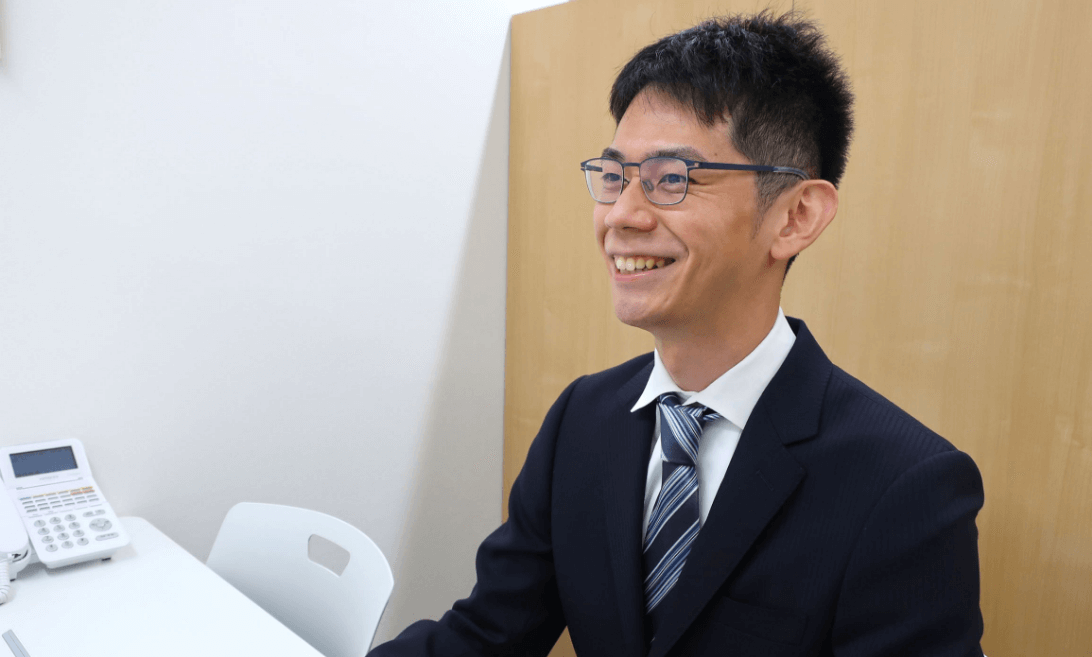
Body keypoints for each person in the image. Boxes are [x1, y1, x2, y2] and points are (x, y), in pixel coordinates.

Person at [370, 11, 984, 657]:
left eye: (672, 179)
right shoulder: (582, 418)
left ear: (796, 216)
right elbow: (486, 636)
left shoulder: (905, 484)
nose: (621, 215)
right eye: (614, 177)